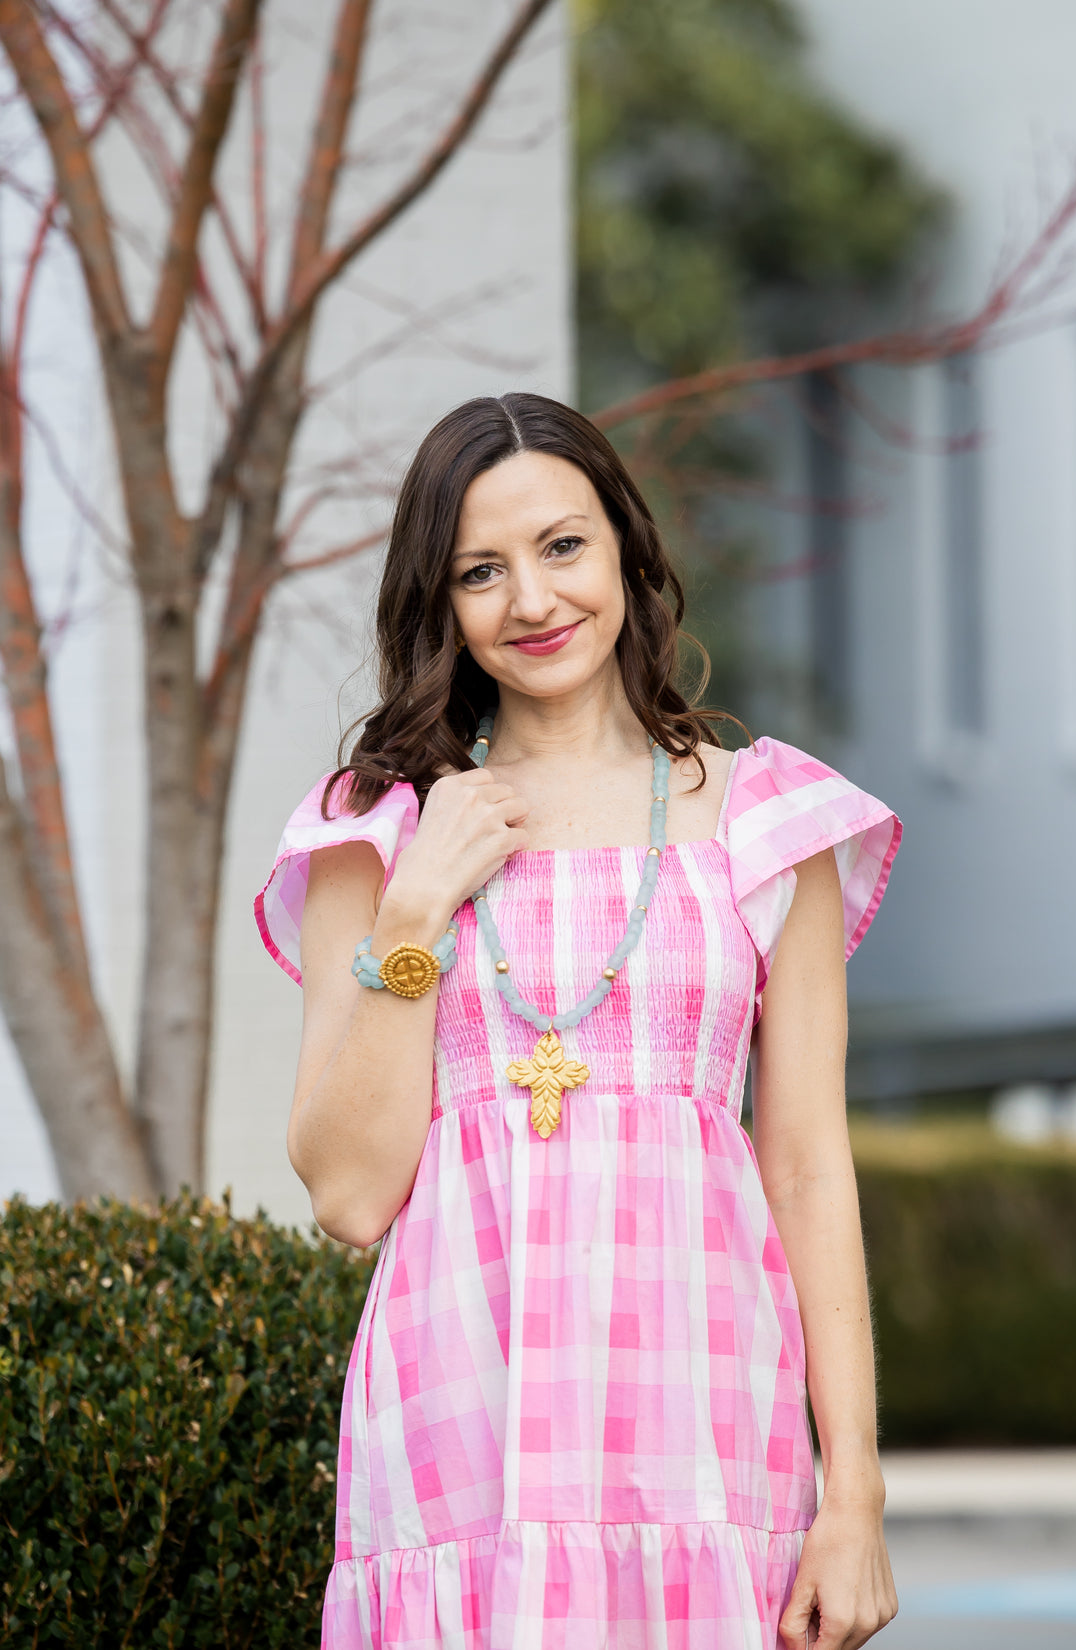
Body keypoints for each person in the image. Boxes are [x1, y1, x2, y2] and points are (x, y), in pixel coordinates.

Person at [255, 392, 903, 1650]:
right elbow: (344, 1194)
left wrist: (856, 1497)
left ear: (624, 547)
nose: (533, 601)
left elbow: (810, 1168)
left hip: (709, 1435)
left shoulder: (770, 818)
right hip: (459, 1437)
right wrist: (417, 911)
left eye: (562, 547)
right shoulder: (374, 829)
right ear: (438, 604)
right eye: (479, 572)